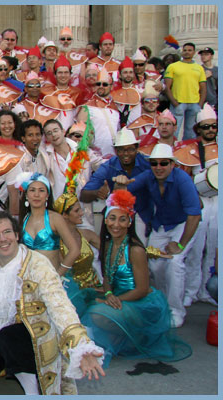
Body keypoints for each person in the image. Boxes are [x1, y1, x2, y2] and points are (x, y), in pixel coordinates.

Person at [0, 210, 105, 395]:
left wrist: (80, 343)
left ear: (17, 235)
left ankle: (32, 392)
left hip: (36, 335)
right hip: (0, 331)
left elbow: (59, 305)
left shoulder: (38, 264)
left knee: (8, 336)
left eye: (7, 232)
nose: (3, 239)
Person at [79, 190, 192, 366]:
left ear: (129, 222)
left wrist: (113, 300)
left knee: (96, 314)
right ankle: (117, 334)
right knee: (82, 299)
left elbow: (142, 289)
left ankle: (126, 337)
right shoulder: (107, 244)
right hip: (118, 298)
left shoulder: (135, 250)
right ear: (106, 220)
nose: (116, 224)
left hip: (140, 303)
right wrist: (108, 293)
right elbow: (107, 276)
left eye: (122, 219)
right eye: (112, 218)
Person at [115, 143, 202, 327]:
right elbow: (122, 192)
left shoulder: (183, 180)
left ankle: (176, 311)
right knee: (154, 265)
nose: (158, 167)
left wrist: (180, 244)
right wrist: (119, 184)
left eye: (163, 163)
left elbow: (194, 215)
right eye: (154, 163)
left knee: (175, 264)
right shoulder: (148, 176)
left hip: (183, 225)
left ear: (173, 164)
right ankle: (163, 304)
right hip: (161, 225)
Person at [174, 104, 218, 305]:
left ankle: (206, 290)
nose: (210, 130)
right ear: (198, 128)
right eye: (206, 126)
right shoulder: (189, 150)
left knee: (214, 248)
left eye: (213, 126)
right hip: (200, 202)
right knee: (195, 249)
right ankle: (191, 291)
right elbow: (183, 178)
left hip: (218, 203)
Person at [80, 129, 152, 244]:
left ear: (137, 148)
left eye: (130, 149)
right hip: (118, 216)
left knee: (139, 250)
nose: (126, 154)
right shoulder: (108, 166)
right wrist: (97, 193)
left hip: (142, 214)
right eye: (121, 150)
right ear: (115, 151)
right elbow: (84, 195)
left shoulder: (147, 164)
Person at [16, 173, 80, 274]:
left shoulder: (55, 218)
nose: (36, 195)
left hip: (51, 279)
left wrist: (58, 275)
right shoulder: (24, 219)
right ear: (26, 195)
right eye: (32, 190)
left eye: (41, 190)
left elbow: (75, 250)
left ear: (47, 195)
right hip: (29, 281)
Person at [53, 192, 103, 314]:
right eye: (77, 211)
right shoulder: (56, 242)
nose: (82, 213)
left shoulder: (87, 234)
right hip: (72, 294)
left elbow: (109, 252)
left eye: (80, 209)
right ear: (64, 215)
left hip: (95, 290)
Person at [164, 43, 206, 140]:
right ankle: (172, 151)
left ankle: (187, 153)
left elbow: (203, 87)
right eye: (185, 50)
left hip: (194, 103)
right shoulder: (173, 66)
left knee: (191, 132)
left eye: (189, 50)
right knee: (174, 130)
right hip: (178, 103)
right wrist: (174, 102)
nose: (187, 52)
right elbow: (167, 87)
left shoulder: (199, 68)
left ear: (194, 52)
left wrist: (200, 104)